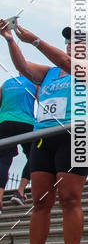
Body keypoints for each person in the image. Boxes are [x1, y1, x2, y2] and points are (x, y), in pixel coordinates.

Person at [0, 22, 88, 244]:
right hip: (44, 135)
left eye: (78, 41)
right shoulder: (50, 73)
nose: (71, 44)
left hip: (77, 134)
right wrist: (11, 40)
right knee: (40, 201)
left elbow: (67, 63)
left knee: (69, 198)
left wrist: (36, 41)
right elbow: (23, 67)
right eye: (69, 41)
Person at [0, 74, 37, 211]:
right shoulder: (34, 84)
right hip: (26, 122)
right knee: (34, 156)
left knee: (3, 160)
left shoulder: (6, 83)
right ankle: (20, 192)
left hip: (4, 122)